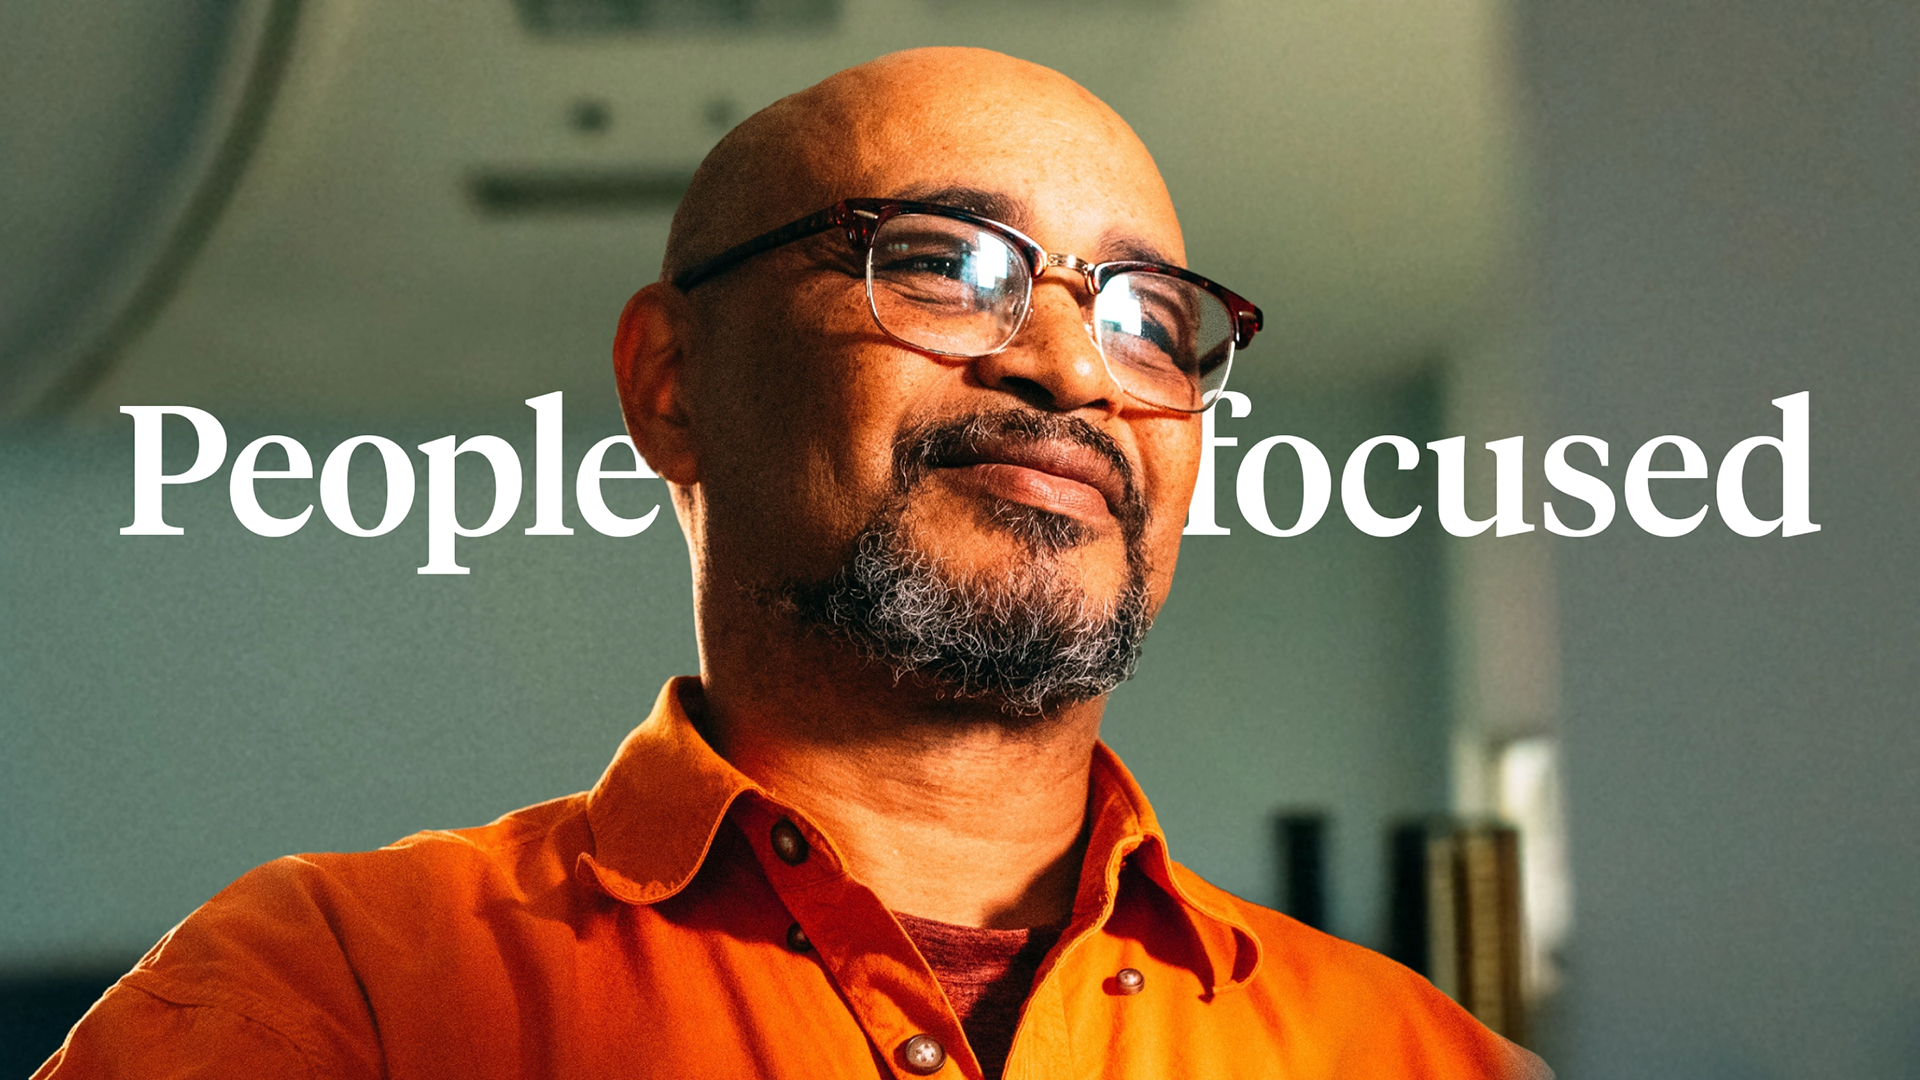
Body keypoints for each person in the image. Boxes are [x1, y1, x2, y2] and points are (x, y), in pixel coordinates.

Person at [38, 47, 1548, 1080]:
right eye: (950, 264)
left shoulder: (1412, 1053)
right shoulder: (337, 997)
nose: (1074, 368)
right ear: (672, 382)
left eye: (1151, 318)